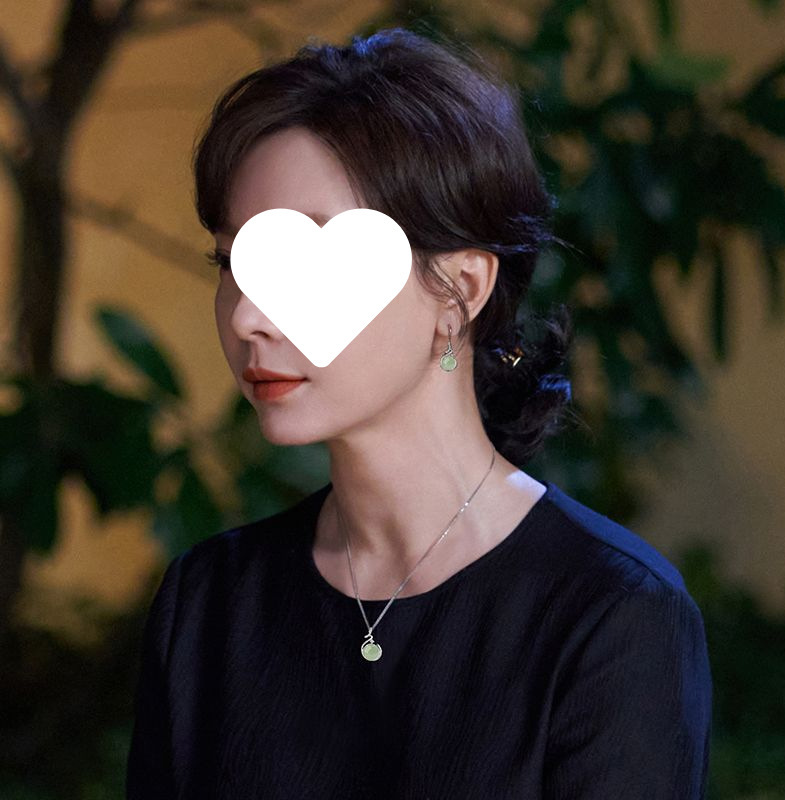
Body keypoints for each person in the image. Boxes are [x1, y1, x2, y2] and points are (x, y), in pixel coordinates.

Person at [126, 26, 712, 799]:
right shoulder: (209, 603)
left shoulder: (612, 614)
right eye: (237, 263)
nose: (248, 318)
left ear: (460, 291)